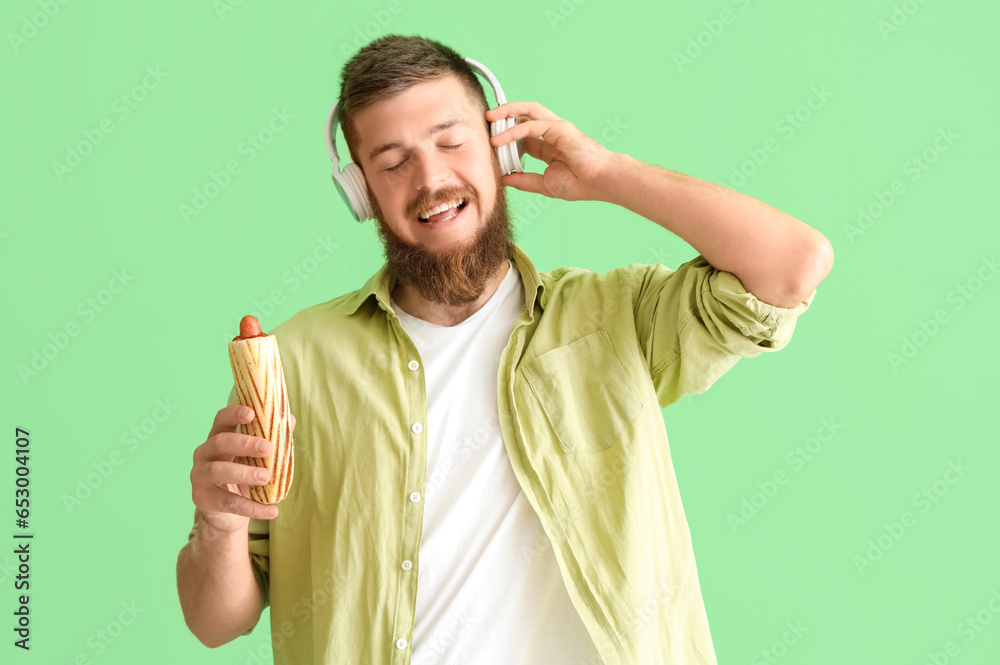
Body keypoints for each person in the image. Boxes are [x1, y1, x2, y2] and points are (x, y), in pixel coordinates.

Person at [176, 35, 833, 665]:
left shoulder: (615, 319)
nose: (431, 179)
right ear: (363, 195)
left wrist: (605, 171)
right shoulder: (295, 361)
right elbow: (216, 619)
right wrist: (221, 524)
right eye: (393, 162)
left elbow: (793, 265)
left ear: (501, 151)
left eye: (451, 141)